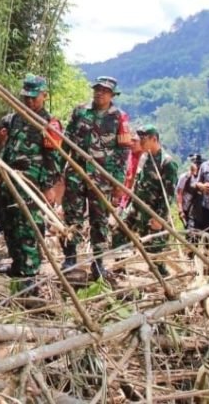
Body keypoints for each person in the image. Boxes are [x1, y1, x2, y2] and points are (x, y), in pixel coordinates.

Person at [0, 74, 63, 288]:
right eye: (27, 98)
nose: (30, 102)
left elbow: (54, 158)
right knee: (10, 225)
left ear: (44, 96)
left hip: (31, 183)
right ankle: (17, 263)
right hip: (9, 180)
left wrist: (49, 186)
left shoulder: (49, 124)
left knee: (28, 227)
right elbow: (7, 148)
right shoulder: (14, 118)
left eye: (34, 98)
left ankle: (30, 274)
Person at [62, 76, 130, 281]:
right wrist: (59, 171)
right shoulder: (80, 111)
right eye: (97, 89)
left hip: (102, 178)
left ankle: (98, 262)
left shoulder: (119, 118)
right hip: (76, 173)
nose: (99, 93)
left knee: (99, 220)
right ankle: (70, 257)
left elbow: (123, 152)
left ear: (112, 95)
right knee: (72, 215)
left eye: (104, 91)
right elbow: (66, 140)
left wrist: (118, 182)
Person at [112, 125, 178, 261]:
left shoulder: (167, 163)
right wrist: (128, 205)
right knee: (119, 231)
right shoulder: (144, 158)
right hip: (136, 209)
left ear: (154, 139)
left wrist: (160, 218)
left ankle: (163, 277)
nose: (140, 142)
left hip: (153, 213)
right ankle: (119, 269)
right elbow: (137, 184)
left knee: (154, 255)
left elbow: (169, 194)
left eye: (144, 139)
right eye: (140, 138)